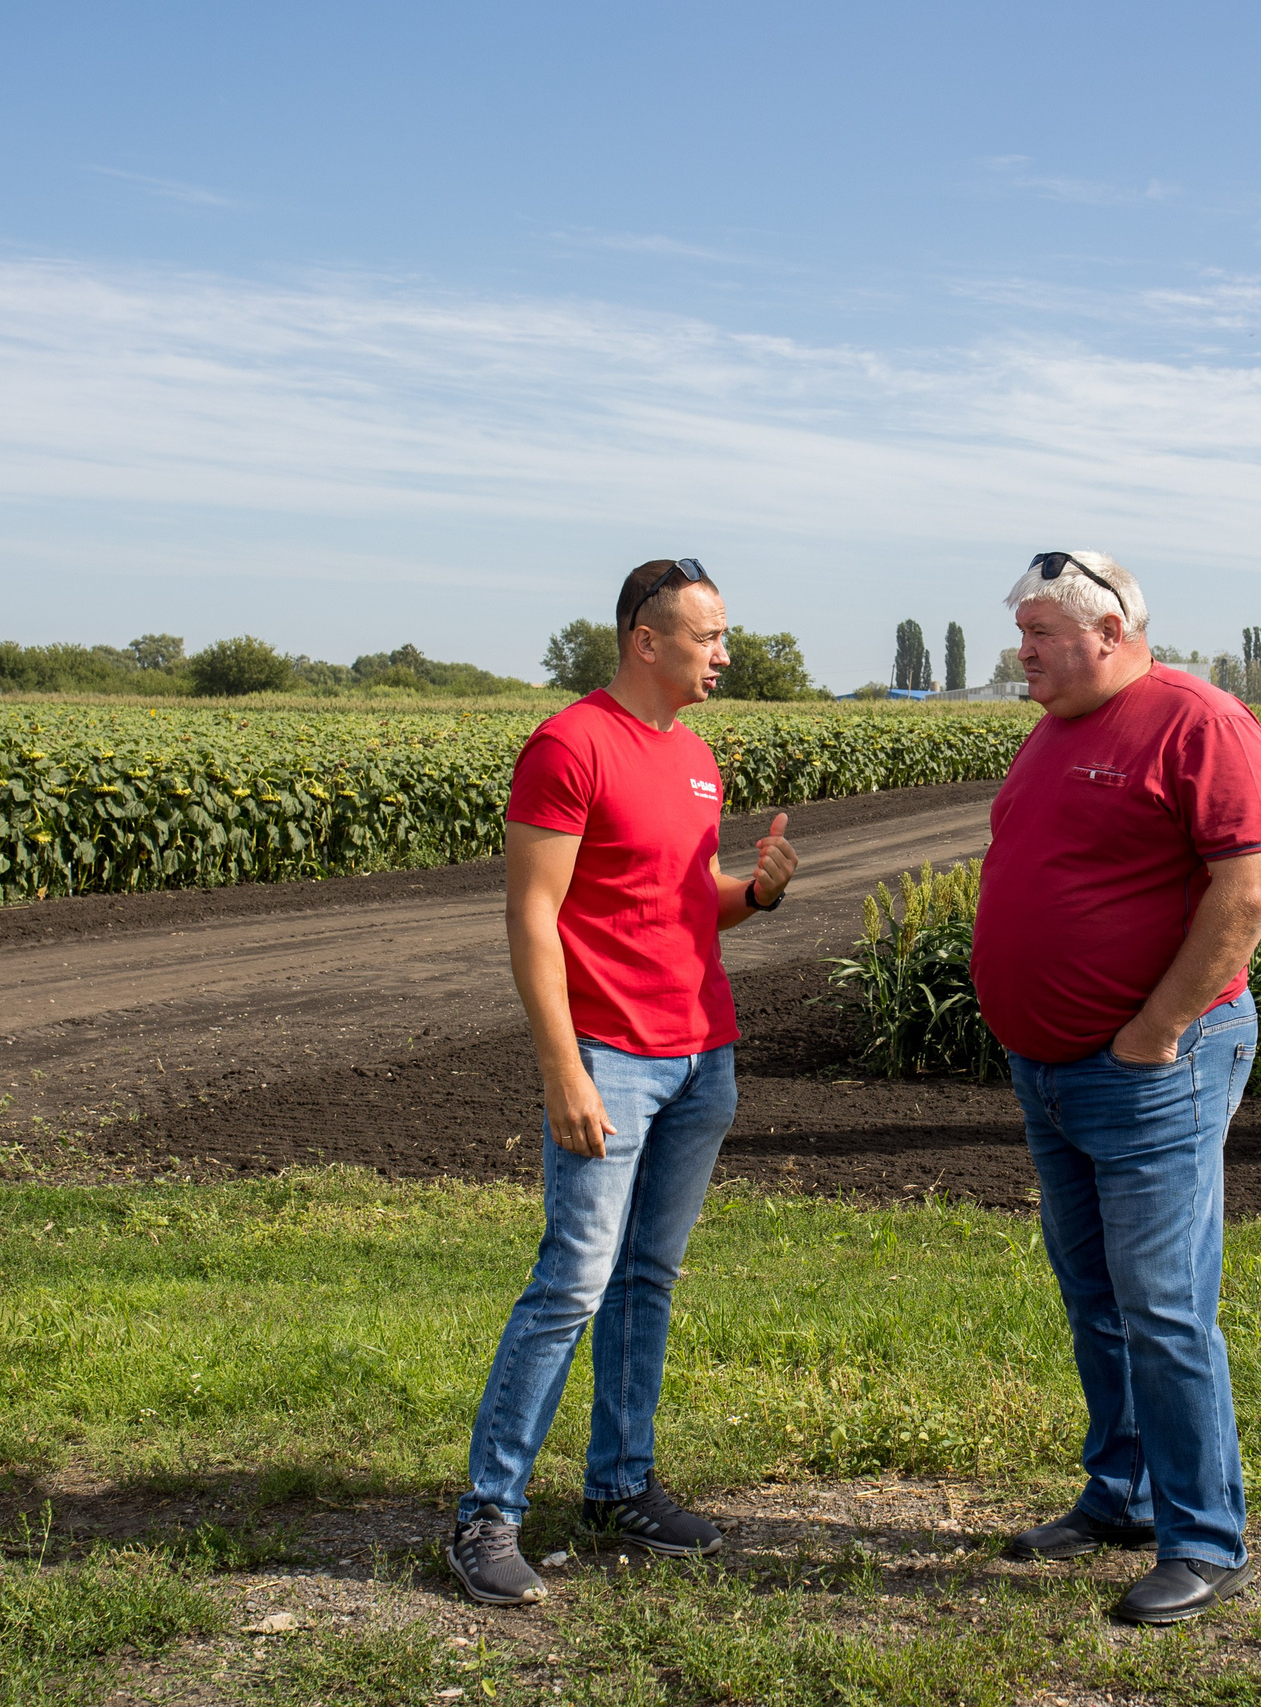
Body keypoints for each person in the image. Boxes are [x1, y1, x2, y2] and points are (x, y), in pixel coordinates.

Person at [446, 558, 799, 1607]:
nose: (725, 654)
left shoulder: (694, 757)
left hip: (700, 1056)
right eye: (709, 636)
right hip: (610, 1057)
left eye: (725, 635)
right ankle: (486, 1514)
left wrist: (756, 893)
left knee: (647, 1279)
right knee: (573, 1282)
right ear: (647, 640)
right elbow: (532, 917)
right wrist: (564, 1068)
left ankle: (620, 1487)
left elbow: (684, 904)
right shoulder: (570, 744)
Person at [969, 550, 1261, 1625]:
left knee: (1163, 1303)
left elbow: (1251, 886)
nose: (1021, 652)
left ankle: (1206, 1537)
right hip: (1052, 1069)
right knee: (1096, 1295)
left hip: (1153, 1066)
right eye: (1020, 633)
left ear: (1109, 632)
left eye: (1038, 634)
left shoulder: (1198, 721)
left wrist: (1156, 1030)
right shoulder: (1053, 730)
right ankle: (1124, 1496)